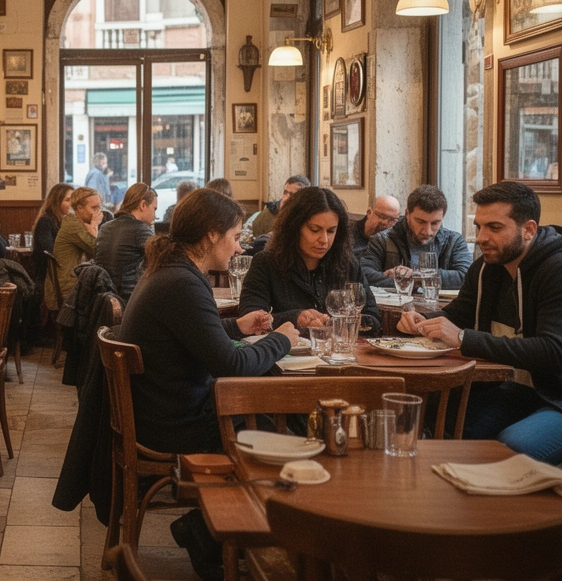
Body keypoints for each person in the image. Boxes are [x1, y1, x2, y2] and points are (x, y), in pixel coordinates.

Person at [116, 188, 297, 581]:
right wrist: (282, 339)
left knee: (268, 420)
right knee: (281, 431)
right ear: (211, 235)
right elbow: (231, 364)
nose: (237, 248)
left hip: (160, 409)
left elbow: (191, 332)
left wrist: (236, 325)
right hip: (171, 424)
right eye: (235, 237)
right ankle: (213, 534)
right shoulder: (182, 281)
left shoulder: (172, 270)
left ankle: (204, 531)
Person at [399, 182, 562, 463]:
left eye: (494, 228)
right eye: (478, 227)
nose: (481, 238)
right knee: (432, 414)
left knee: (513, 445)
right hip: (519, 390)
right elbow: (460, 314)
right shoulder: (486, 268)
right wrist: (423, 322)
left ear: (528, 230)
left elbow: (555, 354)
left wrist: (464, 339)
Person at [239, 186, 381, 333]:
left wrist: (346, 322)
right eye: (315, 230)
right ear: (294, 227)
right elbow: (249, 321)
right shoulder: (266, 263)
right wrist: (296, 318)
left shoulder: (347, 263)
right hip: (287, 352)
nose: (324, 240)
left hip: (340, 351)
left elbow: (374, 318)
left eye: (331, 231)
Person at [361, 185, 472, 290]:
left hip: (440, 307)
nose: (427, 231)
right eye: (420, 222)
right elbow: (364, 273)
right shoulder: (382, 240)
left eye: (435, 223)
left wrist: (414, 276)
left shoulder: (454, 241)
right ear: (407, 214)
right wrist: (410, 281)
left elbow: (466, 276)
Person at [94, 183, 157, 304]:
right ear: (143, 205)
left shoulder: (105, 227)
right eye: (154, 209)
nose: (154, 216)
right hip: (129, 300)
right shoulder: (140, 229)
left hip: (102, 299)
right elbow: (162, 261)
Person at [50, 187, 103, 308]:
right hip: (69, 287)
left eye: (99, 207)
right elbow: (98, 252)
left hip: (71, 282)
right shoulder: (74, 225)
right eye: (94, 208)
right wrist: (94, 227)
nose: (99, 212)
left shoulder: (73, 221)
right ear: (79, 208)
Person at [33, 183, 74, 282]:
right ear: (56, 201)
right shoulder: (46, 221)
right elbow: (48, 252)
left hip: (64, 271)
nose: (72, 204)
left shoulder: (70, 221)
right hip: (50, 276)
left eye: (73, 200)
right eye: (68, 200)